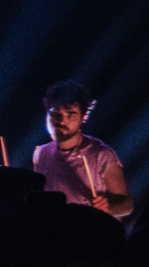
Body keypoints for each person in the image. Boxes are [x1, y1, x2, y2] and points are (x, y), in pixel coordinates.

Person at [31, 80, 133, 219]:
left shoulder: (102, 154)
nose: (61, 120)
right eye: (55, 113)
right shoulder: (41, 153)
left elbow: (127, 205)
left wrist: (108, 208)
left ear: (83, 117)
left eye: (71, 114)